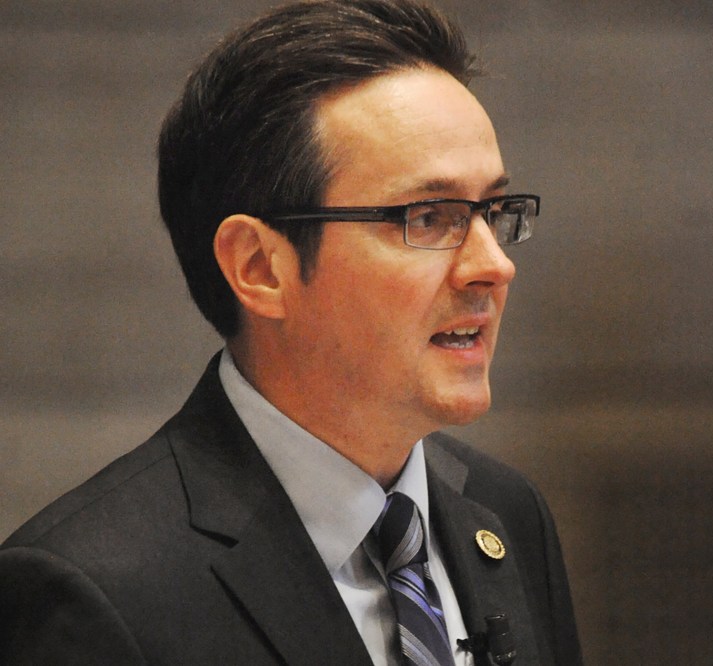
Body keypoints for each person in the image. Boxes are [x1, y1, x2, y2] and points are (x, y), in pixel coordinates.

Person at [0, 1, 582, 664]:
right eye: (430, 217)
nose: (493, 265)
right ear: (259, 267)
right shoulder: (94, 590)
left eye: (494, 211)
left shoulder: (506, 514)